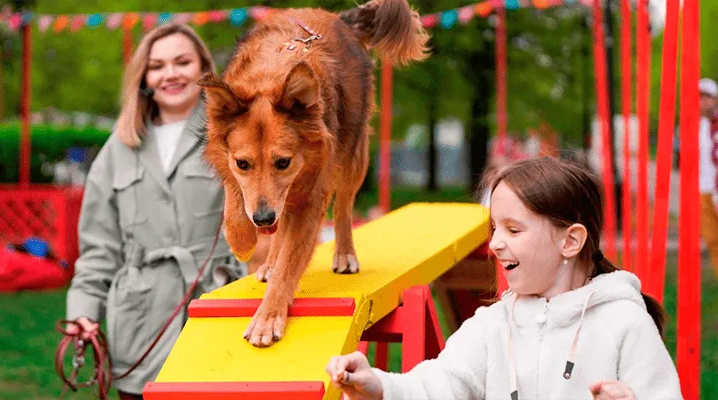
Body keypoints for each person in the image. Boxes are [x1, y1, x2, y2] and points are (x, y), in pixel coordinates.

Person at [326, 157, 682, 400]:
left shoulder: (624, 321)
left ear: (570, 241)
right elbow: (437, 384)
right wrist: (378, 386)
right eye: (495, 228)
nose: (495, 244)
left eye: (513, 230)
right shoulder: (493, 324)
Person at [64, 24, 254, 399]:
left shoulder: (236, 135)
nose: (171, 74)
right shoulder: (118, 148)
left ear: (204, 66)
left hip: (218, 310)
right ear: (145, 78)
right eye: (157, 66)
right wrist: (83, 311)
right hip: (139, 325)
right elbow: (99, 248)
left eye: (183, 62)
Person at [698, 78, 718, 276]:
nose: (702, 102)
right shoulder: (695, 126)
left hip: (716, 188)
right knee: (712, 238)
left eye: (706, 97)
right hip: (703, 189)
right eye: (699, 98)